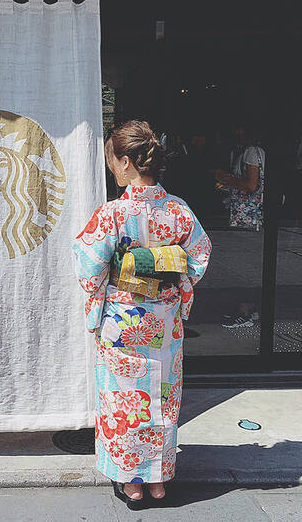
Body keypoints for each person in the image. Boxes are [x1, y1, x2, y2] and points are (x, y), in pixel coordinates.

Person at [73, 120, 211, 509]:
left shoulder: (112, 214)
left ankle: (131, 481)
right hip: (164, 322)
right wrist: (172, 280)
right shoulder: (179, 211)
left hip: (124, 324)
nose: (112, 170)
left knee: (124, 400)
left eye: (113, 162)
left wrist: (116, 278)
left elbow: (88, 268)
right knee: (162, 398)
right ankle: (158, 480)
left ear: (127, 162)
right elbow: (198, 258)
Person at [212, 125, 265, 327]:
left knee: (246, 262)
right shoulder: (254, 151)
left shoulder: (251, 152)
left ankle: (245, 310)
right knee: (250, 261)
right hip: (250, 214)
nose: (236, 133)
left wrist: (226, 178)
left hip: (248, 215)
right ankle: (252, 307)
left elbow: (251, 184)